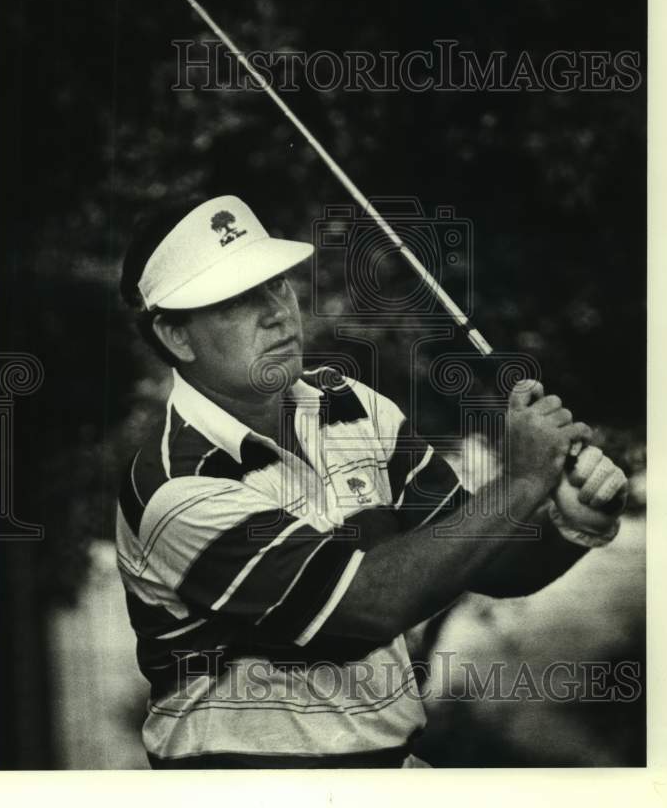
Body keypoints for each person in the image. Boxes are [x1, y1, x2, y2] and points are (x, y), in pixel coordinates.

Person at [116, 195, 627, 769]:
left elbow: (482, 558)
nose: (277, 312)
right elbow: (362, 606)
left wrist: (572, 519)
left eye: (276, 284)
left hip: (387, 778)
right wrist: (526, 477)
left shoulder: (352, 405)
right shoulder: (176, 487)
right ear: (176, 336)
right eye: (236, 301)